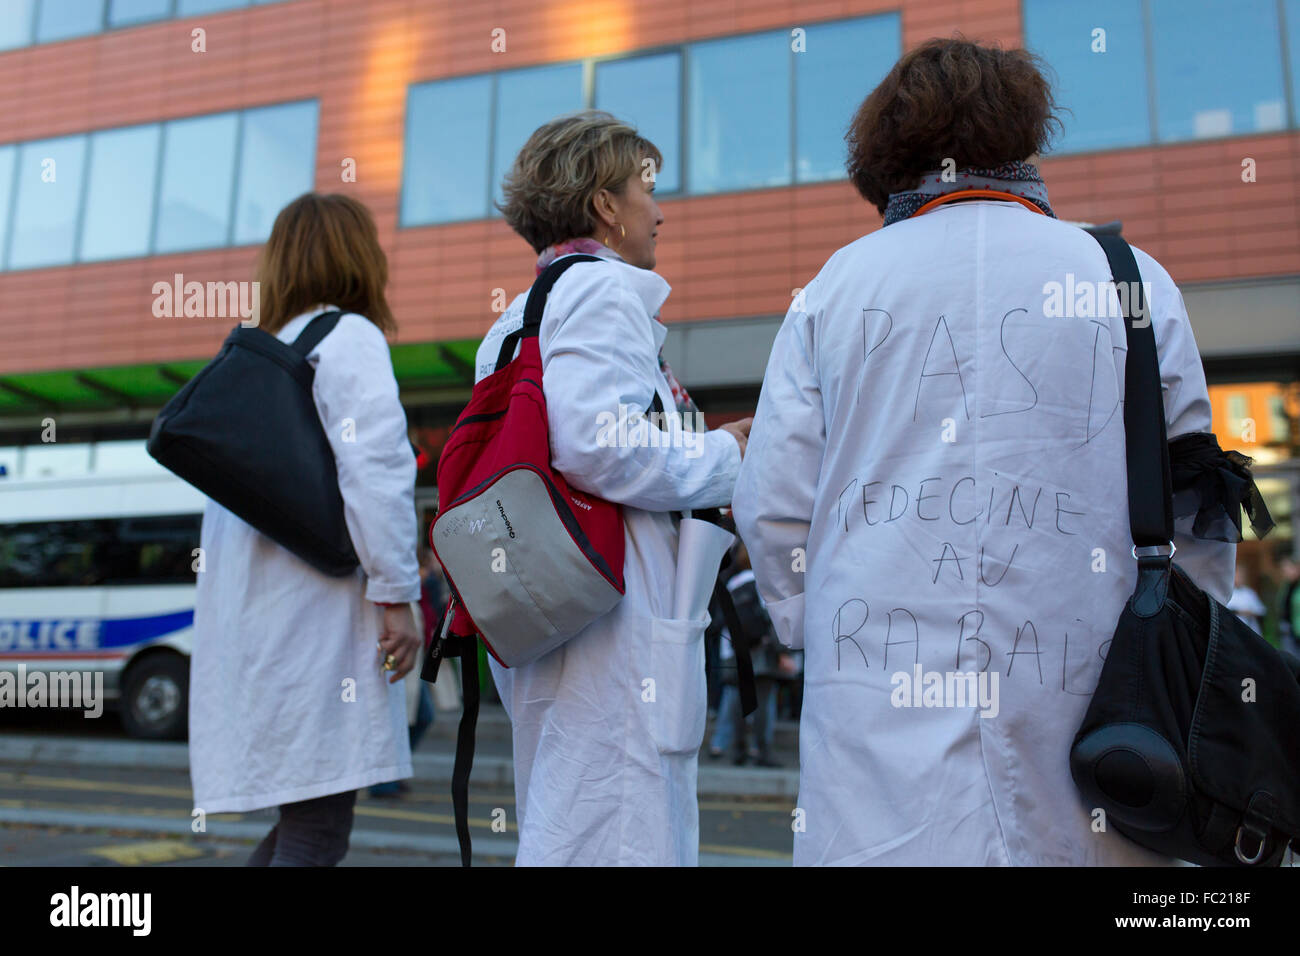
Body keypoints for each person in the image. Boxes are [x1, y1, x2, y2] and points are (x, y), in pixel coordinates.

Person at [732, 39, 1242, 865]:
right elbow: (1198, 495)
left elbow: (773, 502)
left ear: (888, 150)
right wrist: (1188, 633)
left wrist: (812, 627)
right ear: (1023, 134)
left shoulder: (837, 285)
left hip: (877, 699)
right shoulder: (1126, 277)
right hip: (1099, 712)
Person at [479, 110, 750, 865]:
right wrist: (723, 452)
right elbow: (601, 447)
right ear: (604, 203)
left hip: (549, 612)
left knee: (568, 820)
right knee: (621, 828)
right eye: (644, 188)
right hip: (612, 626)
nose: (657, 211)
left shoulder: (515, 318)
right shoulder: (600, 292)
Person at [189, 193, 422, 866]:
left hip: (252, 629)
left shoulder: (255, 358)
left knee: (307, 818)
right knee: (318, 823)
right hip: (315, 623)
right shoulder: (349, 337)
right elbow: (377, 472)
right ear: (358, 258)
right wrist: (396, 593)